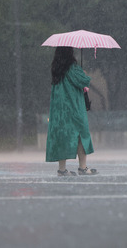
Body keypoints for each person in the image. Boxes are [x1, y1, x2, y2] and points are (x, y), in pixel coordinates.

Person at [46, 46, 98, 176]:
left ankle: (62, 169)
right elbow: (84, 81)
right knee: (82, 135)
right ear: (70, 53)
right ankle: (83, 167)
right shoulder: (72, 68)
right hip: (74, 108)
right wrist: (83, 73)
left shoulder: (56, 70)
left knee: (62, 137)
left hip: (59, 110)